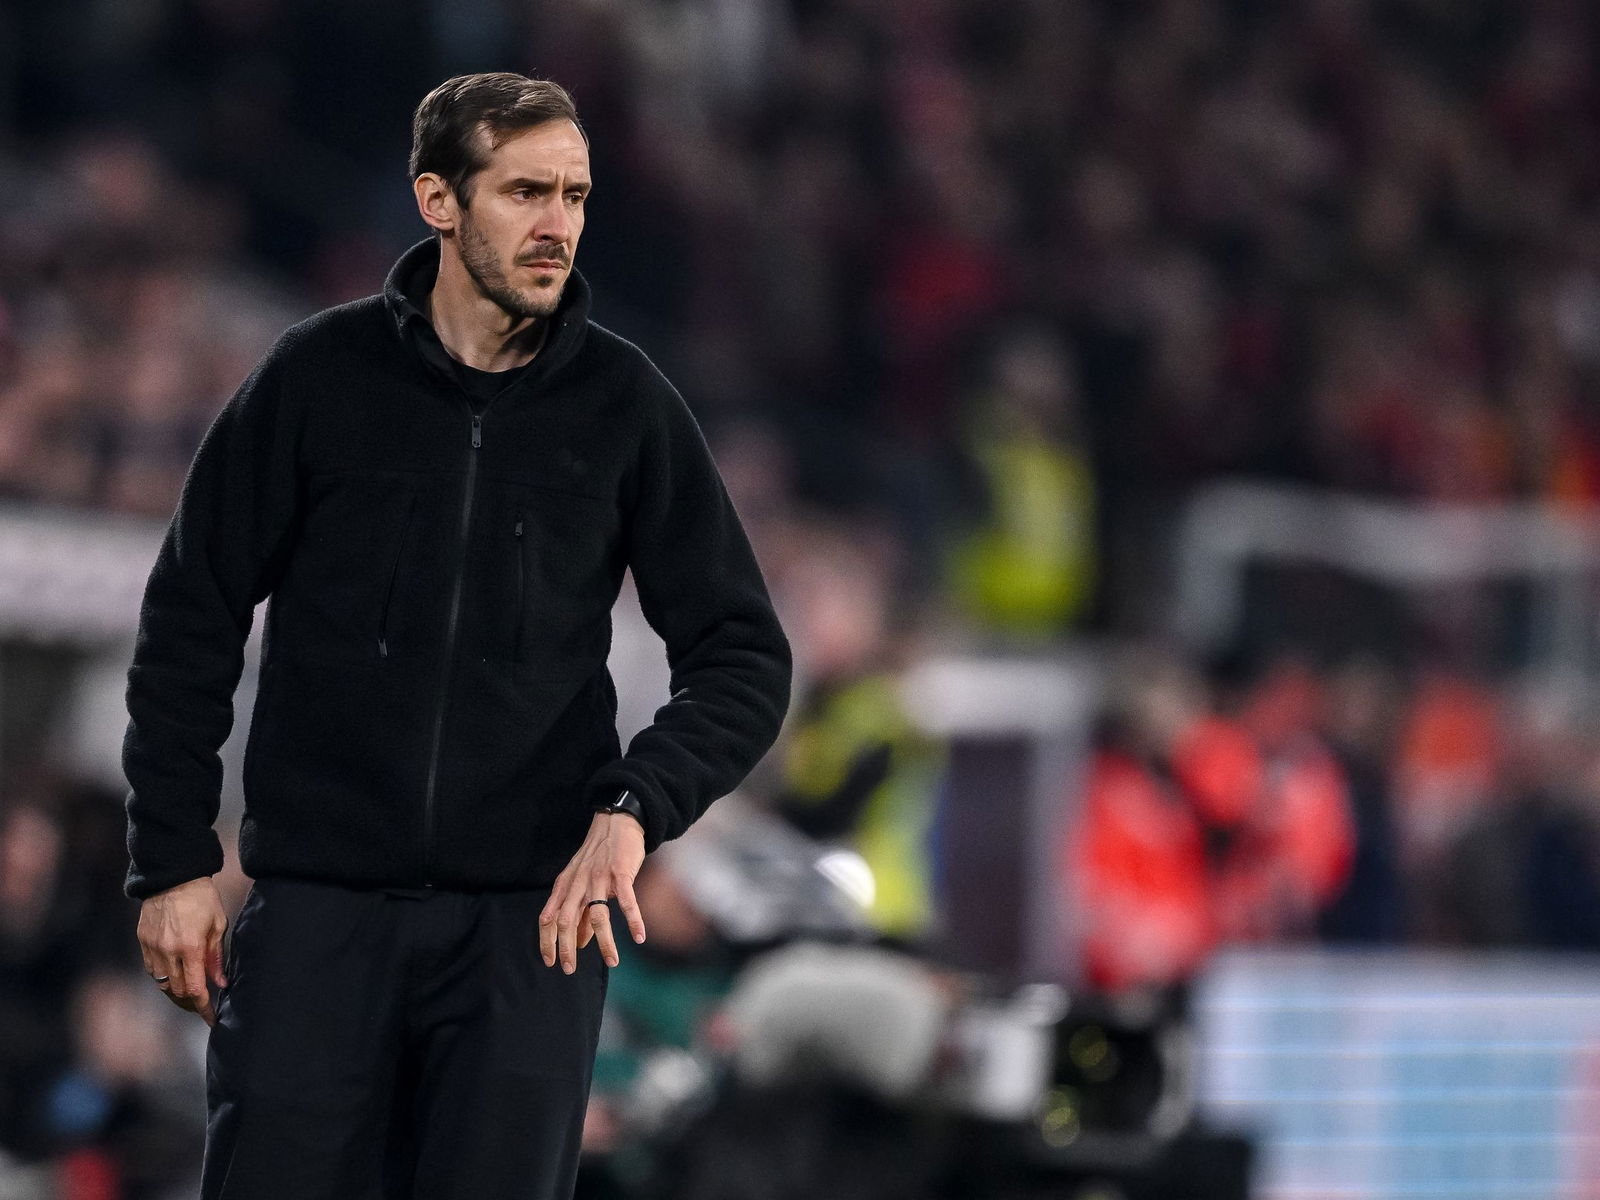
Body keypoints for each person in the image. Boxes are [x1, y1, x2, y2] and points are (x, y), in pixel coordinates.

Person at [119, 72, 792, 1199]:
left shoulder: (626, 407)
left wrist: (636, 808)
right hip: (318, 920)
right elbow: (189, 614)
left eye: (575, 196)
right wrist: (172, 860)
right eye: (526, 192)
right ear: (438, 200)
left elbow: (743, 654)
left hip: (528, 936)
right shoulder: (314, 379)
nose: (558, 225)